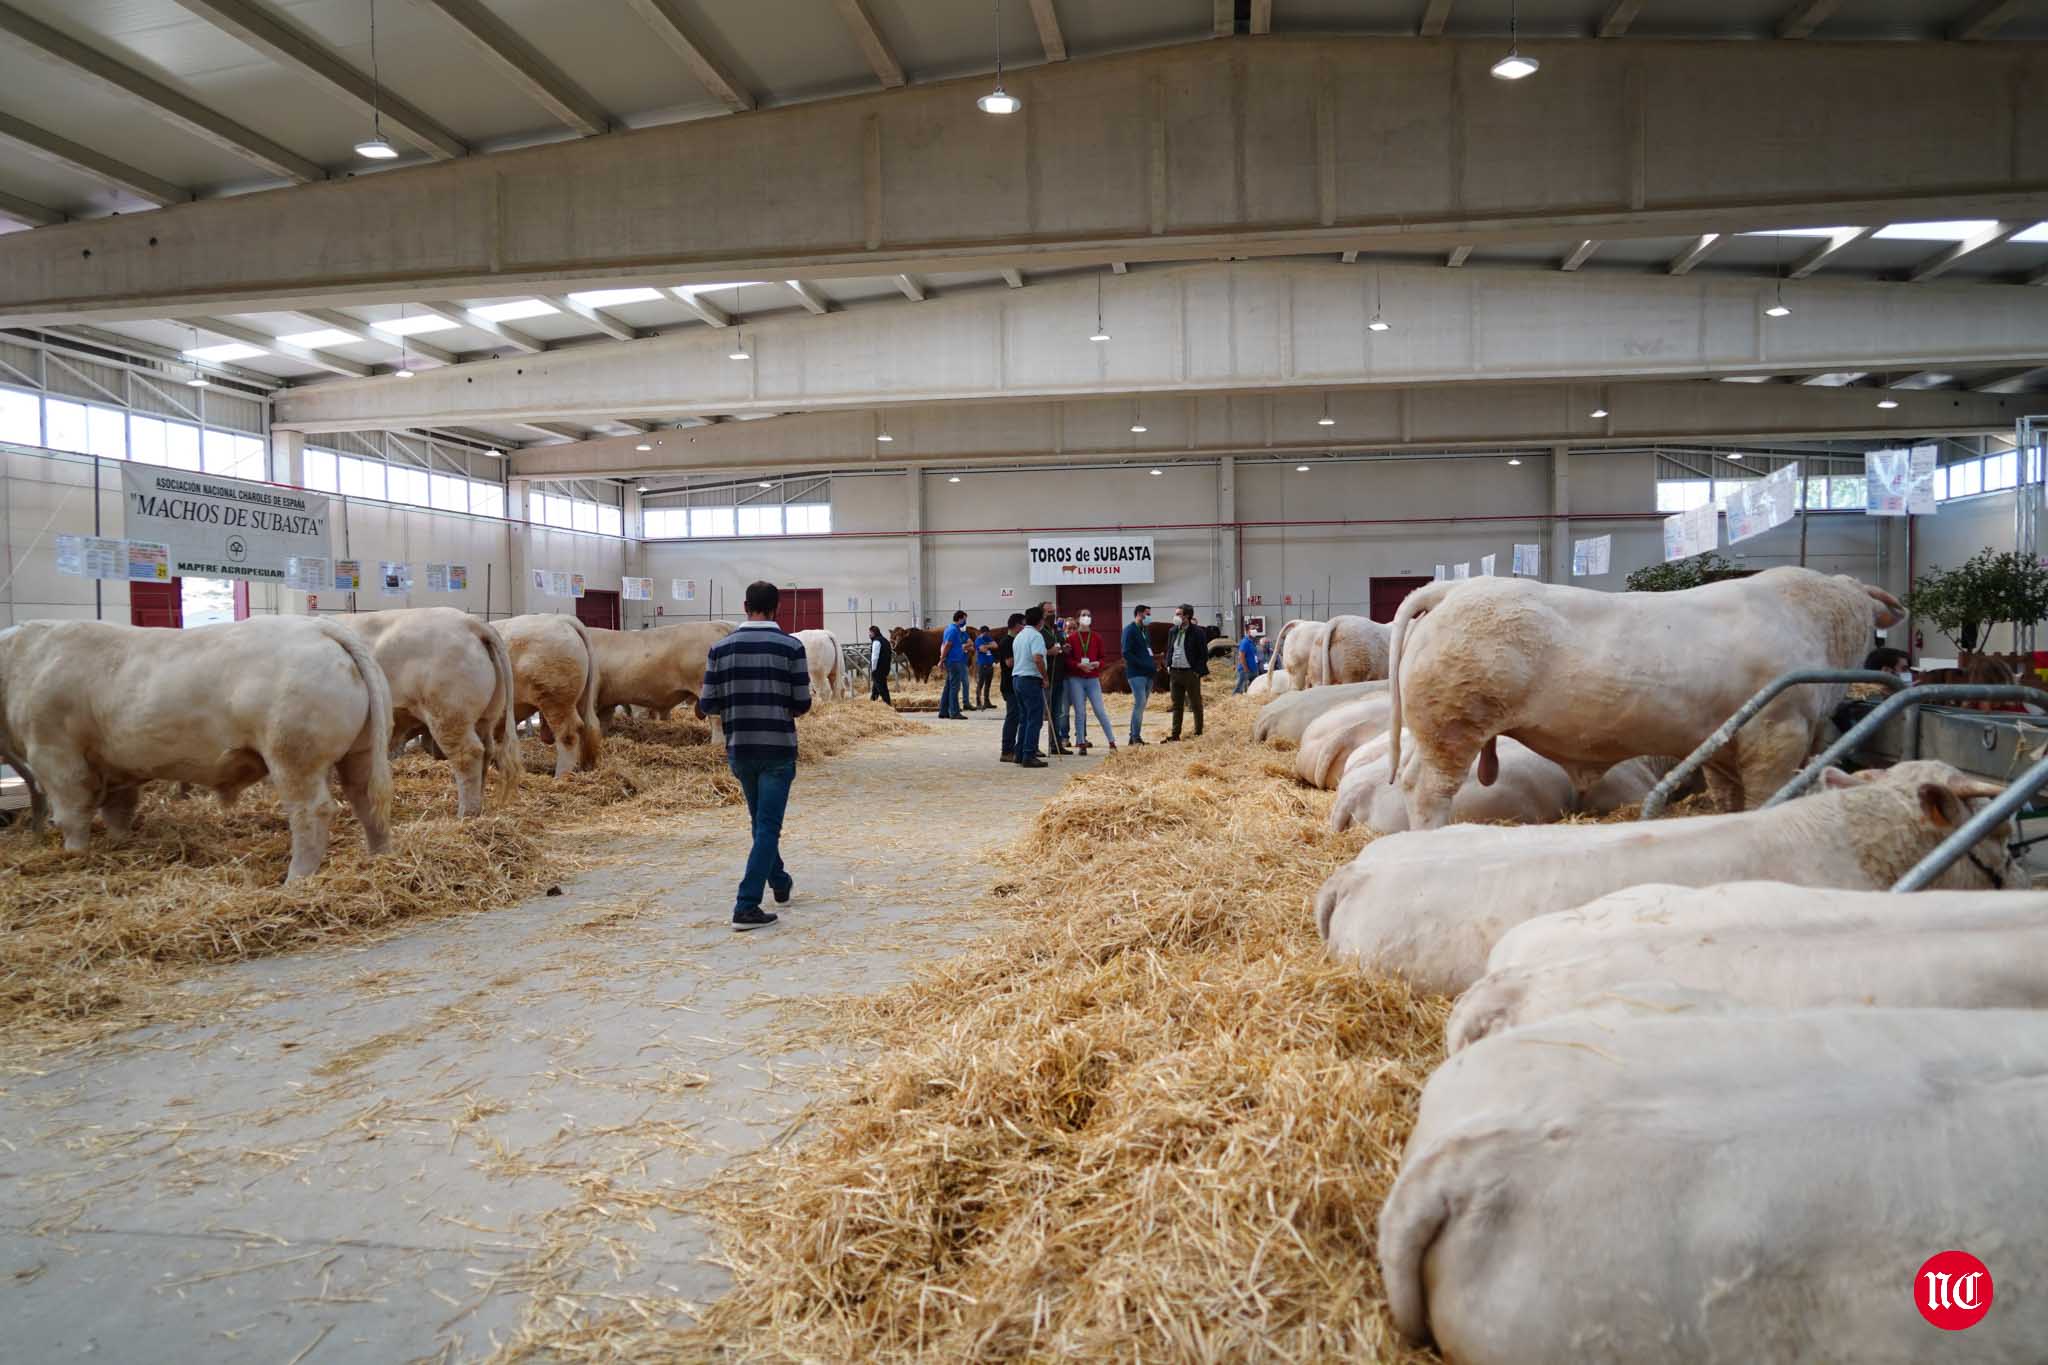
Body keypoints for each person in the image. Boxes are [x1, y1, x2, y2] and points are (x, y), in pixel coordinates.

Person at [695, 580, 811, 931]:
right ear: (777, 608)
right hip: (777, 749)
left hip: (741, 748)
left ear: (746, 605)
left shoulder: (720, 649)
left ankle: (779, 881)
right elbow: (802, 703)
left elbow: (707, 704)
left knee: (760, 823)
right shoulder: (791, 648)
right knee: (768, 826)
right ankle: (746, 905)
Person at [1064, 609, 1117, 754]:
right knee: (1080, 712)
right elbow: (1067, 660)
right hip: (1076, 678)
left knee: (1100, 710)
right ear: (1078, 619)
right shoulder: (1071, 638)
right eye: (1083, 615)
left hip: (1093, 678)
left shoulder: (1096, 637)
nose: (1086, 618)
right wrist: (1078, 665)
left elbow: (1102, 657)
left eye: (1089, 615)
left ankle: (1112, 741)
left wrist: (1098, 664)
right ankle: (1081, 742)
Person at [1163, 602, 1210, 742]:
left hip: (1190, 673)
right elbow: (1169, 649)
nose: (1176, 616)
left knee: (1195, 704)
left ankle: (1198, 732)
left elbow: (1203, 654)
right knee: (1177, 705)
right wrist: (1168, 664)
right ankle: (1175, 734)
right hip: (1175, 672)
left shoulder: (1198, 632)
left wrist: (1197, 671)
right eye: (1176, 614)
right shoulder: (1173, 631)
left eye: (1178, 614)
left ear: (1187, 616)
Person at [1011, 605, 1050, 768]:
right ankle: (1029, 754)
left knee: (1024, 718)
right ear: (1040, 620)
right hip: (1030, 679)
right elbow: (1038, 658)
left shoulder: (1019, 636)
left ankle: (1019, 753)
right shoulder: (1036, 636)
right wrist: (1045, 677)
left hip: (1017, 678)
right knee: (1035, 719)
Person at [1122, 603, 1154, 745]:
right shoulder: (1129, 630)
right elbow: (1126, 652)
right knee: (1139, 704)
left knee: (1142, 705)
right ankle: (1135, 737)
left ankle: (1133, 736)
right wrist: (1142, 664)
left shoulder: (1145, 630)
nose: (1149, 617)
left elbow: (1147, 649)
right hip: (1136, 673)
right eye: (1147, 614)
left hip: (1148, 672)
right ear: (1139, 614)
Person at [1042, 606, 1072, 755]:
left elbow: (1061, 646)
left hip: (1059, 675)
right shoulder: (1040, 632)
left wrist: (1065, 648)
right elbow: (1036, 653)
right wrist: (1049, 652)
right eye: (1049, 611)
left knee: (1057, 711)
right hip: (1046, 677)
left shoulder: (1057, 631)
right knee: (1044, 712)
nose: (1052, 614)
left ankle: (1056, 744)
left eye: (1053, 611)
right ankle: (1036, 745)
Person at [999, 612, 1026, 762]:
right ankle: (1006, 750)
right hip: (1009, 685)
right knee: (1013, 717)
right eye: (1022, 624)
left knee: (1019, 716)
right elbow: (1009, 663)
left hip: (1017, 683)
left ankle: (1018, 747)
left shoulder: (1017, 640)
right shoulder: (1006, 642)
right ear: (1016, 626)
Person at [938, 610, 970, 720]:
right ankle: (954, 712)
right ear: (960, 618)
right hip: (954, 661)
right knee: (954, 687)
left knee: (948, 686)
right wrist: (942, 659)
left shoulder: (950, 629)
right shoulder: (953, 630)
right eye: (965, 619)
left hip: (952, 660)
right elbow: (947, 645)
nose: (965, 621)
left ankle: (943, 711)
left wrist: (943, 659)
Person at [867, 625, 893, 705]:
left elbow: (875, 657)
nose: (869, 634)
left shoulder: (876, 641)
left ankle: (888, 704)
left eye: (870, 632)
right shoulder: (885, 641)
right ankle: (872, 701)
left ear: (874, 633)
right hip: (885, 668)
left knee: (882, 688)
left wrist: (873, 669)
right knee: (876, 687)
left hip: (878, 669)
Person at [1235, 625, 1264, 694]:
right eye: (1253, 629)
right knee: (1239, 689)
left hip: (1254, 670)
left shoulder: (1252, 642)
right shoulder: (1245, 642)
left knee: (1252, 689)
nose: (1255, 630)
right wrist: (1245, 668)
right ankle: (1234, 699)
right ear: (1248, 631)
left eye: (1255, 629)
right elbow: (1241, 656)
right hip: (1245, 670)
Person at [974, 625, 998, 710]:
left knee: (988, 684)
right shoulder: (978, 640)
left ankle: (987, 701)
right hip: (982, 665)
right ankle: (978, 702)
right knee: (980, 684)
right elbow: (982, 649)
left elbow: (995, 645)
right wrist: (988, 645)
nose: (988, 635)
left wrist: (986, 645)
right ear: (983, 632)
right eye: (986, 633)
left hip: (990, 664)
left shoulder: (987, 638)